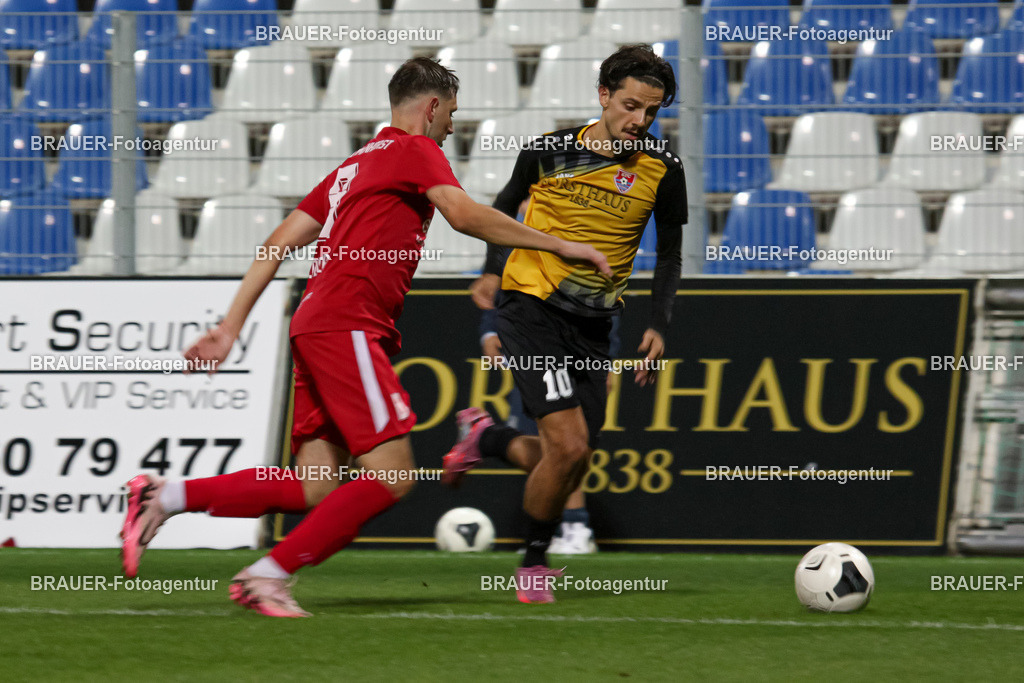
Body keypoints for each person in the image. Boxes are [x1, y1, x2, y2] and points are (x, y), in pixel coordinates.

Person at [119, 57, 611, 618]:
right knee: (394, 474)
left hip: (312, 323)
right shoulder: (415, 150)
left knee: (314, 486)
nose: (452, 126)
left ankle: (164, 496)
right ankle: (267, 575)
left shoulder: (353, 165)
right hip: (345, 323)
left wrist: (232, 325)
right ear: (431, 108)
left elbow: (277, 242)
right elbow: (464, 215)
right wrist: (561, 245)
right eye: (451, 114)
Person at [444, 44, 686, 603]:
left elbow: (670, 254)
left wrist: (658, 324)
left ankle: (488, 436)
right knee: (570, 448)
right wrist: (488, 272)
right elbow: (504, 207)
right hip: (532, 309)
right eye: (630, 105)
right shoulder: (546, 152)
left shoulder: (663, 169)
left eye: (651, 112)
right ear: (602, 96)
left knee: (571, 457)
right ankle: (534, 564)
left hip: (596, 325)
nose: (639, 121)